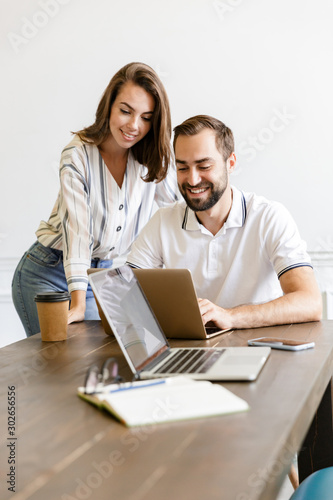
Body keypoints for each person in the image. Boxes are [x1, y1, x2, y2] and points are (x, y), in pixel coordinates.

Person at [12, 62, 179, 337]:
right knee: (57, 366)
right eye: (125, 111)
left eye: (146, 117)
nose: (134, 126)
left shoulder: (152, 159)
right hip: (47, 272)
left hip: (100, 277)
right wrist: (77, 304)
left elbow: (180, 212)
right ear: (109, 106)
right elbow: (78, 232)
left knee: (93, 365)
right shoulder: (77, 155)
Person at [126, 115, 322, 330]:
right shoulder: (163, 221)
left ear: (230, 164)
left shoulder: (269, 217)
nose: (192, 180)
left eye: (204, 166)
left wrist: (231, 317)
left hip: (260, 347)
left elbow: (309, 302)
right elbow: (121, 295)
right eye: (182, 168)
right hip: (194, 352)